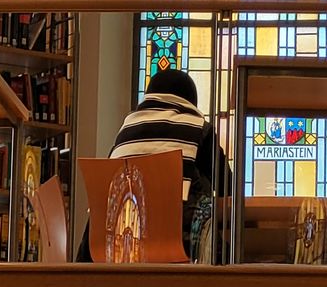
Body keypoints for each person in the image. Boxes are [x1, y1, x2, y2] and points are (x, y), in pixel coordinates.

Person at [76, 67, 230, 262]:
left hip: (115, 247)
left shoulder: (126, 130)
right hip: (177, 246)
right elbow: (227, 185)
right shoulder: (198, 129)